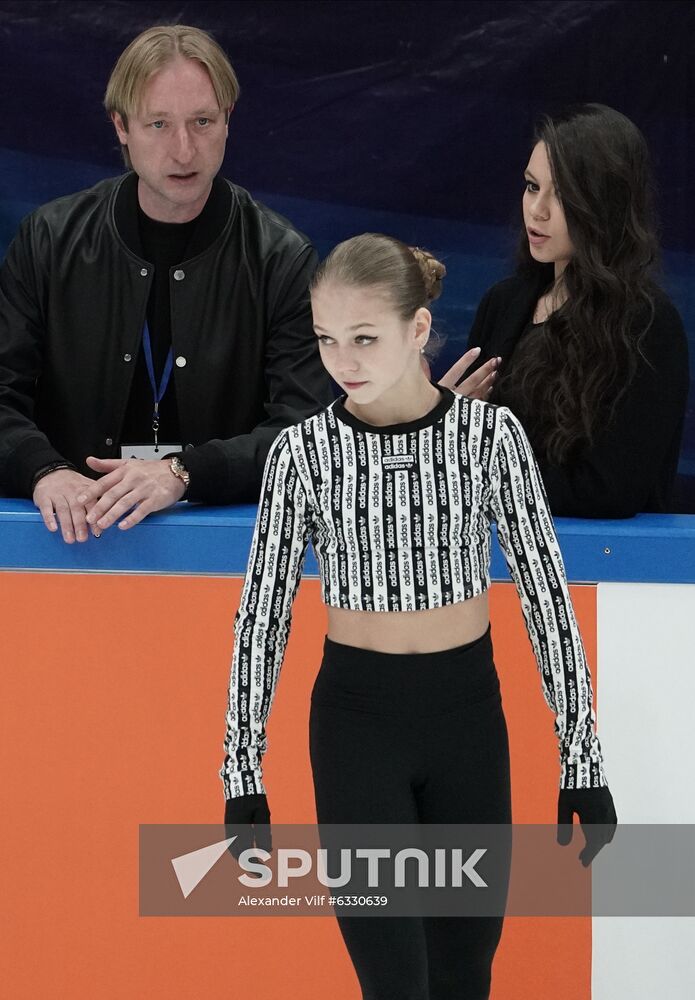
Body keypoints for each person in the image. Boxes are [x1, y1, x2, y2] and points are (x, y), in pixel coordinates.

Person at [220, 233, 617, 1000]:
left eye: (364, 337)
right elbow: (260, 618)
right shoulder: (301, 456)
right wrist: (242, 770)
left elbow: (544, 595)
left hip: (467, 720)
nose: (344, 361)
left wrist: (582, 757)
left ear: (419, 329)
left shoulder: (490, 439)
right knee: (395, 985)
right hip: (355, 727)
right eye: (328, 339)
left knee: (464, 977)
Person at [0, 24, 334, 542]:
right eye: (159, 124)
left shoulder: (280, 257)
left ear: (228, 120)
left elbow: (306, 432)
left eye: (202, 121)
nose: (184, 150)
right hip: (70, 542)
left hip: (219, 551)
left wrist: (183, 473)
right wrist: (43, 470)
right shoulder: (49, 238)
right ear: (121, 127)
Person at [439, 104, 689, 518]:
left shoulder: (647, 325)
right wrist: (436, 428)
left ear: (606, 204)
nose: (538, 210)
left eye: (564, 196)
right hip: (492, 563)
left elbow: (609, 491)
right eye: (532, 186)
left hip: (600, 572)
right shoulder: (503, 303)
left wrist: (469, 457)